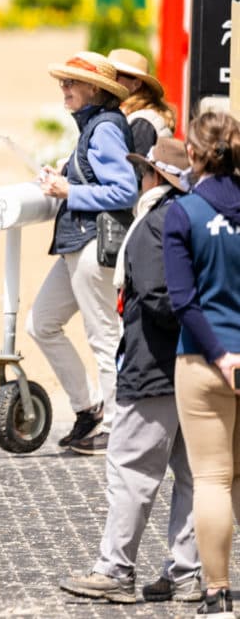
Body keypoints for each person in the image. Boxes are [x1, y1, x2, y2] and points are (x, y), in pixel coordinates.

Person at [59, 138, 201, 604]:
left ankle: (115, 570)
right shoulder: (198, 220)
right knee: (192, 476)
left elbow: (161, 299)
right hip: (198, 369)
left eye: (143, 172)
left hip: (155, 365)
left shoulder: (154, 225)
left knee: (130, 470)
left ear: (154, 178)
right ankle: (185, 574)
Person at [29, 52, 137, 455]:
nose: (64, 89)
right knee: (41, 323)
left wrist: (68, 190)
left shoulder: (104, 127)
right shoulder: (95, 124)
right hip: (78, 244)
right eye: (63, 82)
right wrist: (64, 178)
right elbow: (101, 180)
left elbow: (125, 190)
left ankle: (114, 427)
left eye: (71, 83)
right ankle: (89, 408)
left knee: (104, 336)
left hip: (93, 246)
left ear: (95, 90)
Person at [165, 112, 240, 616]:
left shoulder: (182, 213)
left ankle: (216, 590)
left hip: (204, 360)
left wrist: (221, 354)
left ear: (191, 155)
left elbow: (182, 301)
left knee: (212, 479)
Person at [107, 48, 175, 162]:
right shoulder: (134, 116)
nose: (109, 80)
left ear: (136, 83)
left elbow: (136, 173)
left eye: (116, 76)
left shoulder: (142, 123)